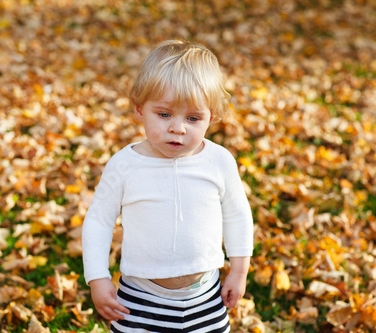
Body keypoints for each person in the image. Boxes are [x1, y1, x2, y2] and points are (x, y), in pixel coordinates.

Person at [82, 40, 254, 333]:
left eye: (193, 118)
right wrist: (98, 278)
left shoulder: (218, 161)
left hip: (205, 297)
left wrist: (239, 270)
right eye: (164, 114)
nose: (178, 128)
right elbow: (99, 222)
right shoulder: (125, 165)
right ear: (139, 109)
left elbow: (237, 215)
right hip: (140, 298)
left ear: (211, 116)